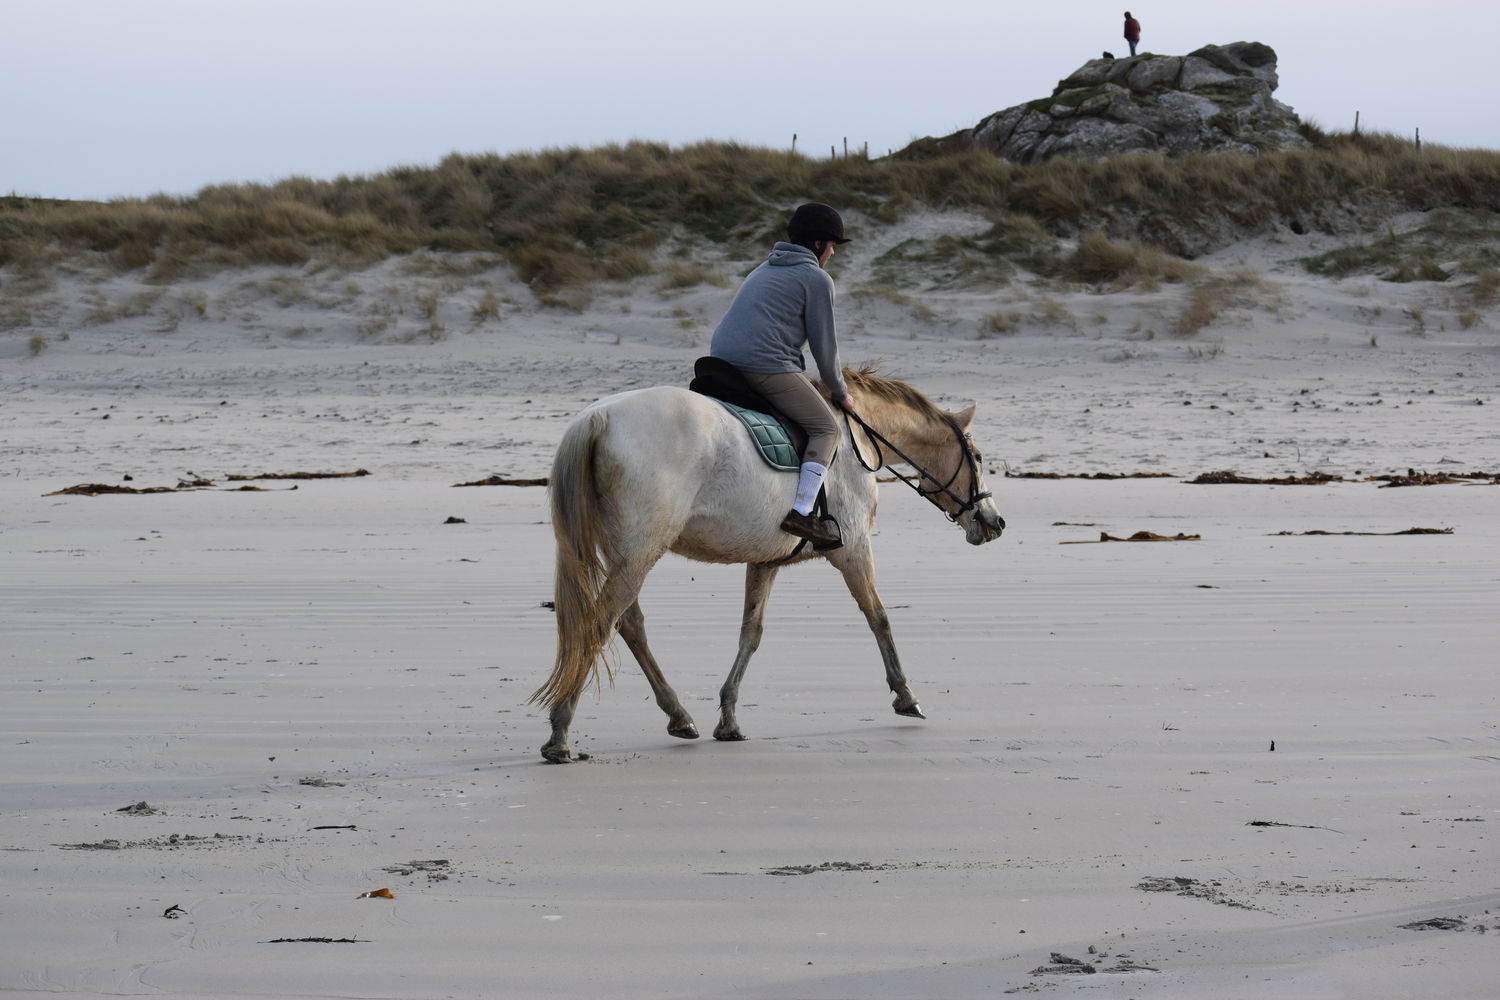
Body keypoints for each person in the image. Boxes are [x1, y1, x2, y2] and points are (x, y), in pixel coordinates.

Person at [709, 202, 856, 548]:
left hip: (720, 361)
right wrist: (840, 392)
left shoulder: (763, 268)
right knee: (826, 428)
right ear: (819, 244)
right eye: (833, 245)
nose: (834, 253)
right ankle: (803, 514)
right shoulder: (816, 279)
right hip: (765, 366)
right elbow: (825, 350)